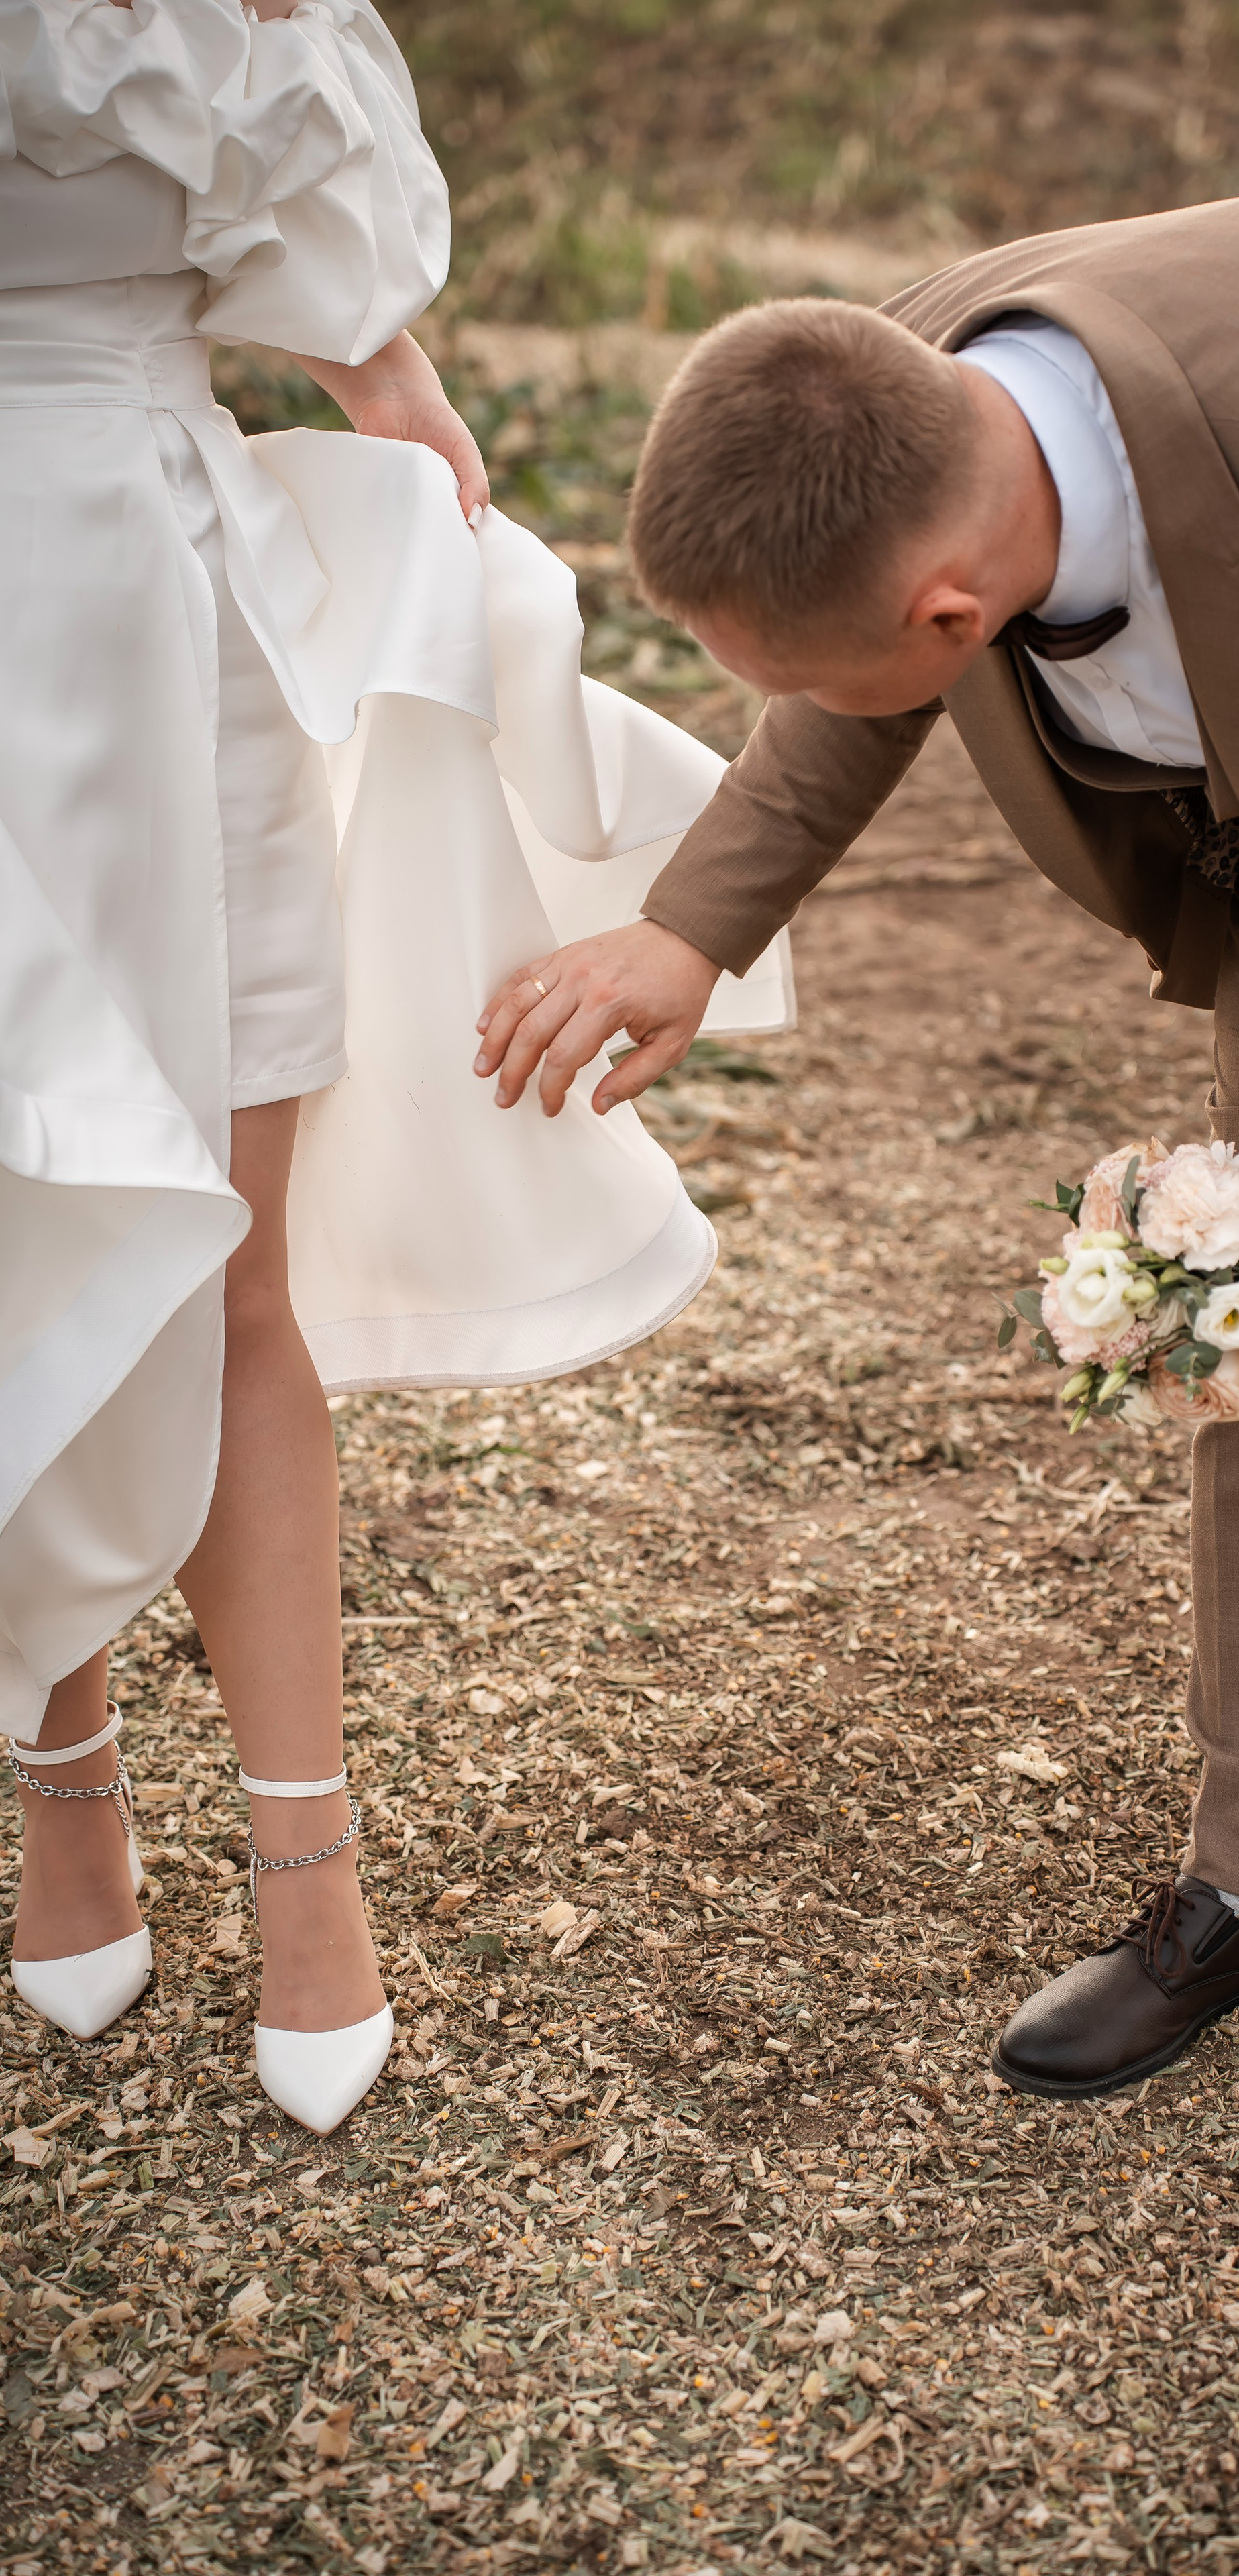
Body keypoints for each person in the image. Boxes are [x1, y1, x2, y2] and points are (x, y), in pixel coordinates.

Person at [474, 190, 1239, 2093]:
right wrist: (693, 925)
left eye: (826, 667)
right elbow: (845, 691)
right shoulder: (902, 405)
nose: (801, 710)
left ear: (953, 620)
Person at [1, 0, 787, 2134]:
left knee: (226, 1253)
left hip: (150, 596)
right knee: (20, 1228)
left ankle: (304, 1859)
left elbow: (331, 266)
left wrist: (400, 396)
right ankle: (60, 1784)